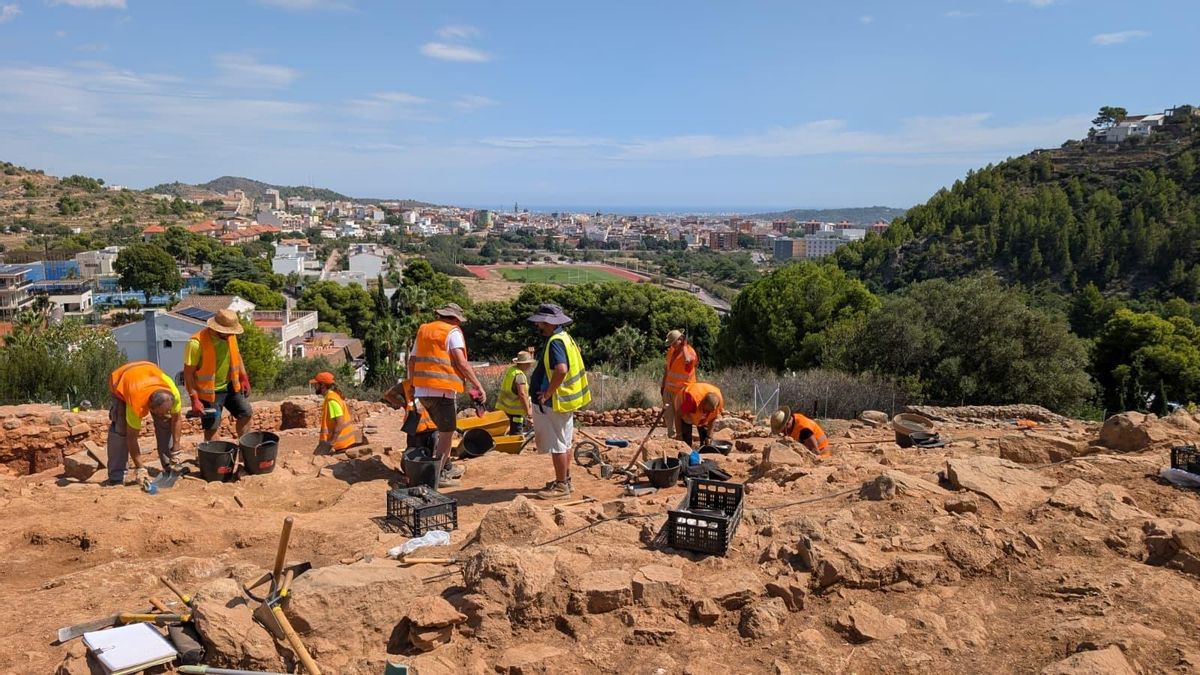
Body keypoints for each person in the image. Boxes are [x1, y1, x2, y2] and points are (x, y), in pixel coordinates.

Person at [408, 303, 486, 488]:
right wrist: (478, 385)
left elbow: (412, 360)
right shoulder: (452, 332)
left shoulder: (424, 330)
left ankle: (446, 465)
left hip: (422, 391)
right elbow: (461, 362)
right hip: (442, 391)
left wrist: (412, 384)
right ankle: (439, 474)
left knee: (442, 428)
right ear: (456, 319)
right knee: (447, 433)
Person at [527, 303, 590, 499]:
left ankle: (561, 486)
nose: (538, 325)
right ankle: (565, 480)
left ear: (548, 322)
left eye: (540, 322)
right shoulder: (565, 338)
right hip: (565, 400)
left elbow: (561, 369)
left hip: (555, 401)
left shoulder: (555, 342)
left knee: (557, 445)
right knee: (564, 442)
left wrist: (547, 393)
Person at [104, 361, 184, 487]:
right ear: (150, 408)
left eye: (168, 410)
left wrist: (176, 448)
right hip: (121, 382)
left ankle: (170, 464)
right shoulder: (136, 403)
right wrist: (140, 468)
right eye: (160, 412)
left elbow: (177, 419)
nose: (165, 413)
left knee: (165, 421)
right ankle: (116, 477)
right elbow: (131, 438)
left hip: (148, 370)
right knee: (121, 428)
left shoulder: (173, 394)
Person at [183, 308, 253, 442]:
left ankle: (245, 449)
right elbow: (188, 374)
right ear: (217, 328)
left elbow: (237, 356)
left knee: (246, 413)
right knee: (212, 426)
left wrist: (244, 378)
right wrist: (194, 399)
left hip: (231, 386)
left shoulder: (230, 337)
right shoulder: (196, 343)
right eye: (227, 331)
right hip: (210, 393)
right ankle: (215, 453)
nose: (230, 334)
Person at [310, 371, 362, 454]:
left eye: (316, 384)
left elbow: (339, 423)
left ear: (322, 385)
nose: (314, 386)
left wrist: (330, 444)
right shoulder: (333, 396)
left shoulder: (331, 400)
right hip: (343, 444)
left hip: (340, 446)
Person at [382, 378, 439, 452]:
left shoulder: (408, 385)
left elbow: (389, 395)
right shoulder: (407, 385)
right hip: (421, 428)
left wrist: (404, 405)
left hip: (428, 427)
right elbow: (389, 395)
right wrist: (404, 404)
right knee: (421, 454)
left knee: (418, 454)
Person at [659, 329, 697, 440]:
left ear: (681, 340)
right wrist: (663, 385)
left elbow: (688, 360)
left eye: (674, 342)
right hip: (669, 389)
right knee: (669, 416)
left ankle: (683, 440)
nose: (672, 345)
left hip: (682, 391)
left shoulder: (689, 352)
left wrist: (684, 346)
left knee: (682, 417)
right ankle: (671, 438)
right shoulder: (671, 350)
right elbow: (667, 369)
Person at [494, 350, 536, 435]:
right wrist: (528, 412)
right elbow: (522, 394)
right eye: (529, 363)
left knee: (506, 433)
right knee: (516, 434)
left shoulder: (511, 370)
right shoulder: (519, 376)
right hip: (515, 412)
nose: (530, 365)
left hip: (505, 410)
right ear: (524, 364)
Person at [674, 381, 723, 448]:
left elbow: (713, 418)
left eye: (710, 411)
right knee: (686, 436)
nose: (707, 412)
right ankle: (687, 447)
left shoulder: (717, 404)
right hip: (683, 400)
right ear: (703, 403)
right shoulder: (691, 402)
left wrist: (709, 436)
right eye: (706, 410)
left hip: (698, 405)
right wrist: (679, 434)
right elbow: (678, 415)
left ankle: (704, 447)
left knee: (706, 438)